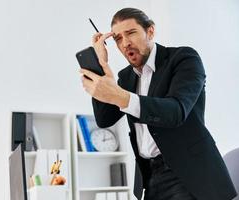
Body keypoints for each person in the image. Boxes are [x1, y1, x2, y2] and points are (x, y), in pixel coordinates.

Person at [79, 8, 237, 200]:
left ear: (150, 31)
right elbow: (104, 119)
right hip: (150, 178)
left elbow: (176, 112)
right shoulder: (126, 77)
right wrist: (100, 67)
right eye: (118, 38)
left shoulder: (184, 59)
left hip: (186, 174)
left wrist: (121, 97)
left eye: (131, 33)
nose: (125, 42)